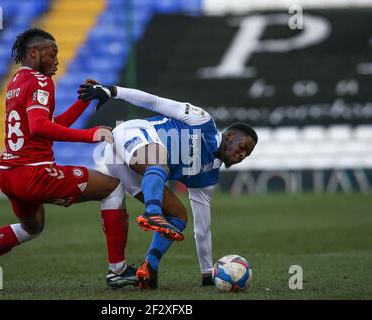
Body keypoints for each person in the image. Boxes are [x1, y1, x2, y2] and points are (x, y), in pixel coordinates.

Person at [0, 28, 137, 290]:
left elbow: (49, 124)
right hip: (34, 173)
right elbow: (40, 128)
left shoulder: (15, 82)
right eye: (51, 54)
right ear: (33, 53)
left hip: (9, 174)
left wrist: (82, 103)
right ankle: (118, 271)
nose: (56, 60)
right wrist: (91, 134)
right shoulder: (41, 81)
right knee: (112, 188)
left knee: (32, 228)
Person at [78, 83, 257, 289]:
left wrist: (207, 273)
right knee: (159, 162)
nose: (242, 155)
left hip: (130, 169)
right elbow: (155, 101)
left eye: (247, 154)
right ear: (229, 136)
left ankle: (149, 267)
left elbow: (203, 228)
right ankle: (152, 212)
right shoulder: (202, 120)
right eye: (242, 147)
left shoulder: (207, 178)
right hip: (131, 134)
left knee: (178, 216)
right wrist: (113, 91)